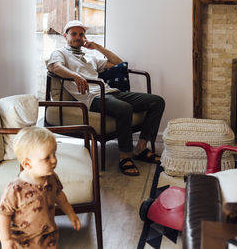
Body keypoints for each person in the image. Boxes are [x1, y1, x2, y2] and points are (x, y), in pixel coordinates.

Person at [46, 20, 165, 176]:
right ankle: (124, 157)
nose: (78, 37)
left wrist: (98, 47)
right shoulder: (60, 53)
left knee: (157, 101)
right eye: (74, 34)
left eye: (81, 34)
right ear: (65, 36)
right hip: (91, 98)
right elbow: (56, 67)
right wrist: (74, 75)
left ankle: (141, 148)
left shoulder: (90, 57)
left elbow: (119, 63)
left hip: (110, 92)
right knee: (124, 108)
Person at [0, 127, 80, 249]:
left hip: (49, 239)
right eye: (47, 158)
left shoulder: (52, 178)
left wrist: (71, 213)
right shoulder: (15, 189)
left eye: (54, 154)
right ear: (27, 164)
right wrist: (6, 240)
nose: (54, 160)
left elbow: (59, 196)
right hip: (23, 243)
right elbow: (4, 214)